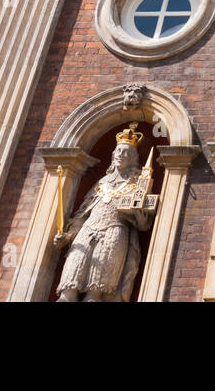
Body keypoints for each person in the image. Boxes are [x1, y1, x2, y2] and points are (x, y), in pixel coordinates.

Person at [54, 124, 158, 302]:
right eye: (118, 151)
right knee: (67, 290)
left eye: (126, 152)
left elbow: (142, 220)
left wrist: (141, 221)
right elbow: (82, 215)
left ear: (133, 157)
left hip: (113, 234)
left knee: (94, 294)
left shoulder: (138, 182)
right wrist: (68, 235)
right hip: (86, 232)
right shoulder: (102, 182)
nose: (121, 155)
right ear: (113, 154)